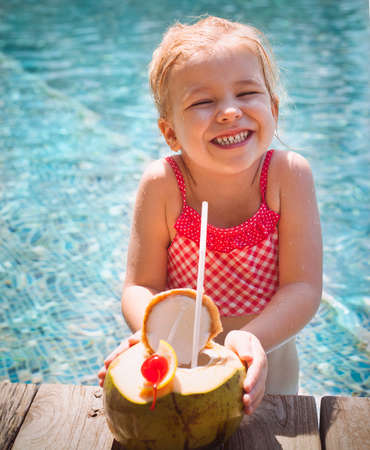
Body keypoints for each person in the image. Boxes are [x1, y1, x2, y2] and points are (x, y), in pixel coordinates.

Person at [98, 16, 322, 415]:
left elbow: (302, 287)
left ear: (273, 107)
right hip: (183, 365)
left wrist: (252, 339)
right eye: (203, 101)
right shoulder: (163, 184)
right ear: (170, 133)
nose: (229, 112)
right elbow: (140, 285)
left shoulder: (288, 176)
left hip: (267, 365)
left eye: (247, 93)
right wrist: (155, 335)